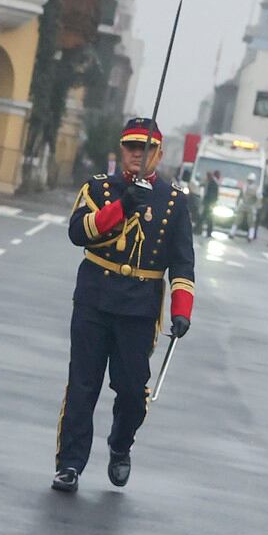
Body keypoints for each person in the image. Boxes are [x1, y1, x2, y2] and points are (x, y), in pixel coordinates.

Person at [52, 116, 195, 492]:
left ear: (159, 154)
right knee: (83, 384)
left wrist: (182, 310)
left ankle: (120, 446)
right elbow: (76, 232)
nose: (138, 154)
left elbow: (182, 261)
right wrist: (121, 206)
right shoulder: (100, 188)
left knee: (132, 390)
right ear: (122, 149)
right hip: (95, 299)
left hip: (139, 307)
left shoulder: (174, 201)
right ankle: (70, 464)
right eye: (132, 146)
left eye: (146, 148)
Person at [200, 171, 221, 240]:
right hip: (210, 203)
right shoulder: (213, 182)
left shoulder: (212, 181)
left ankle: (199, 230)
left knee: (205, 217)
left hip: (209, 203)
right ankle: (206, 232)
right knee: (209, 218)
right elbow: (211, 194)